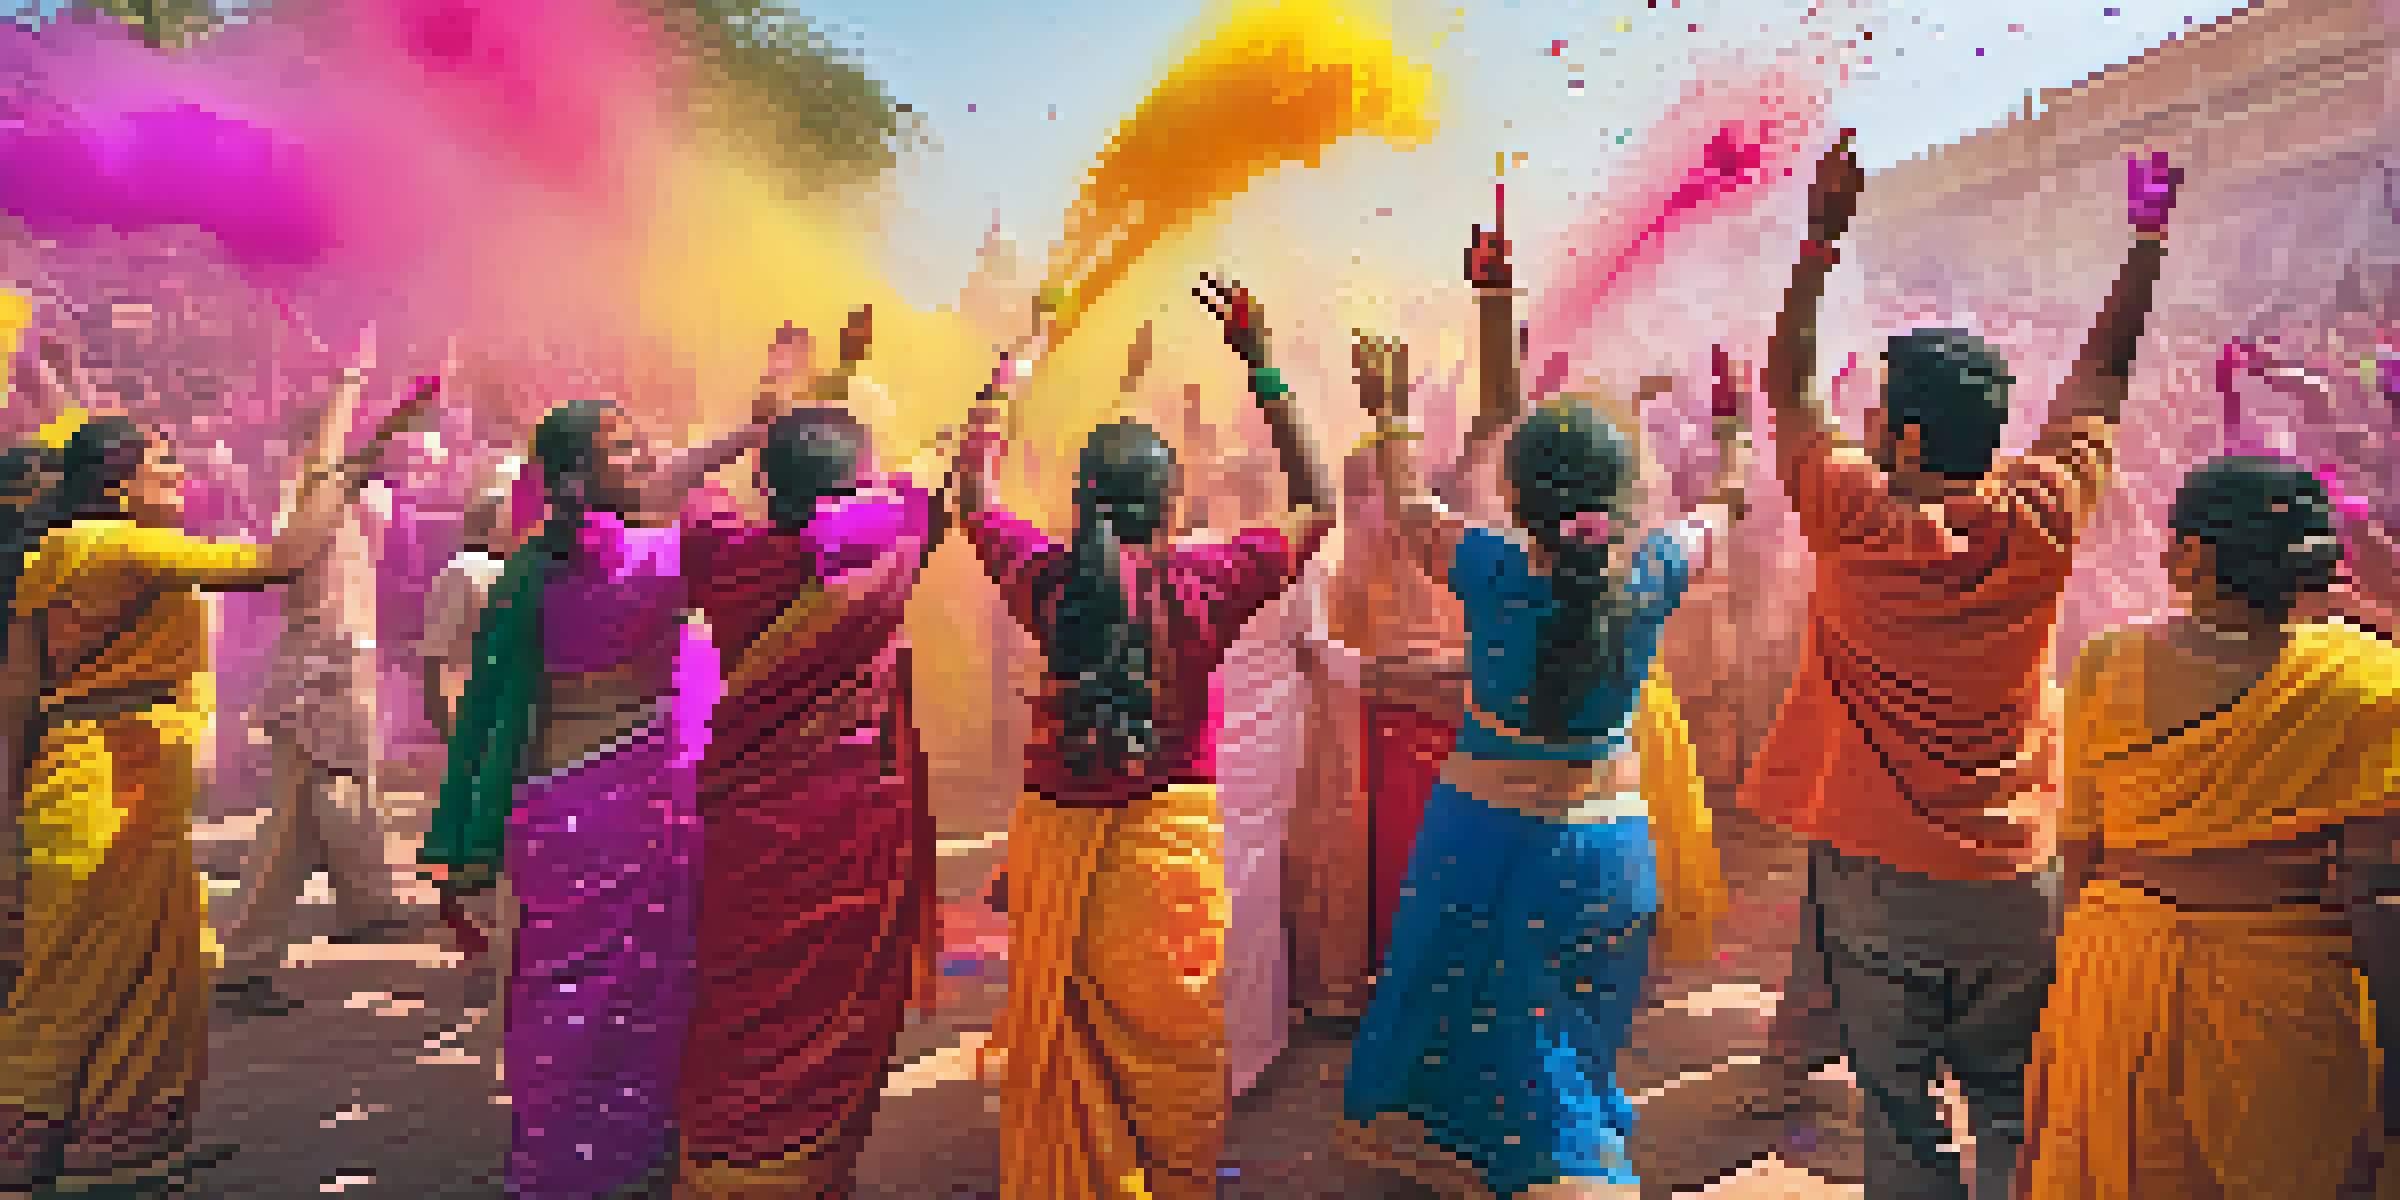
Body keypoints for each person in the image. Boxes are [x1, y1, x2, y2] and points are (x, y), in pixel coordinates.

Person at [1742, 137, 2179, 1200]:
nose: (1866, 419)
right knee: (2004, 1106)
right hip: (2014, 882)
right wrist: (2148, 244)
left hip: (1884, 891)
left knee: (1901, 1121)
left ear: (1908, 435)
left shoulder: (1856, 520)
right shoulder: (2042, 513)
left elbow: (1787, 384)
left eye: (1880, 408)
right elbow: (2105, 375)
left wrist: (1820, 239)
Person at [1333, 311, 1742, 1198]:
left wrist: (1392, 415)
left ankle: (1551, 1172)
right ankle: (1561, 1152)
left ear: (1515, 502)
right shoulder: (1654, 570)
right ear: (1627, 498)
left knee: (1480, 1013)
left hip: (1485, 836)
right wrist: (1734, 436)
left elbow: (1410, 512)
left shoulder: (1490, 568)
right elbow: (1724, 510)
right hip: (1610, 846)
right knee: (1575, 1026)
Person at [0, 365, 430, 1194]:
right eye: (165, 469)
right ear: (119, 486)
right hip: (108, 792)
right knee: (78, 981)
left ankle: (115, 1152)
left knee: (135, 971)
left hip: (103, 782)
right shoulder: (117, 542)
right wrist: (342, 454)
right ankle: (25, 1157)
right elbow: (280, 560)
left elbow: (19, 696)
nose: (183, 479)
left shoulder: (60, 549)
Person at [959, 277, 1334, 1199]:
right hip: (1166, 856)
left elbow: (971, 490)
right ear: (1171, 507)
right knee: (1175, 1048)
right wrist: (1265, 367)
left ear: (1082, 502)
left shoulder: (1046, 580)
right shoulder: (1209, 581)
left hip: (1058, 839)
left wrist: (1026, 353)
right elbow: (1317, 504)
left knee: (1073, 1035)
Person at [419, 361, 795, 1199]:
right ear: (580, 475)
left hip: (550, 809)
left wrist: (743, 428)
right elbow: (727, 532)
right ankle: (612, 1156)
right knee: (638, 985)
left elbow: (656, 487)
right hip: (625, 804)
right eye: (625, 450)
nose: (647, 456)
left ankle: (552, 1157)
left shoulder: (530, 567)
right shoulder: (649, 560)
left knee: (558, 992)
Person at [2014, 457, 2400, 1200]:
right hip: (2287, 990)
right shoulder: (2371, 680)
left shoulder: (2107, 663)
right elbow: (2375, 886)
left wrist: (2072, 988)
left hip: (2120, 970)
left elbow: (2082, 851)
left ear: (2191, 557)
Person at [672, 310, 954, 1197]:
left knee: (743, 1012)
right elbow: (957, 466)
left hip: (747, 837)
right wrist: (1016, 358)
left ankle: (729, 1176)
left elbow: (677, 482)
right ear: (859, 493)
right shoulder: (890, 562)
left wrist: (770, 414)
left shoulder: (722, 550)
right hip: (847, 837)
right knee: (835, 1017)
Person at [217, 346, 423, 1018]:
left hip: (336, 674)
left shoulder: (336, 501)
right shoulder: (309, 499)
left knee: (336, 802)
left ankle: (367, 904)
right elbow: (331, 461)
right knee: (295, 824)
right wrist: (353, 383)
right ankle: (245, 963)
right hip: (318, 681)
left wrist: (382, 415)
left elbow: (345, 463)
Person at [417, 477, 513, 1065]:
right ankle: (477, 953)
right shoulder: (468, 570)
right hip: (478, 718)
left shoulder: (530, 567)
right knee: (472, 839)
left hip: (514, 721)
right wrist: (449, 727)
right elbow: (438, 655)